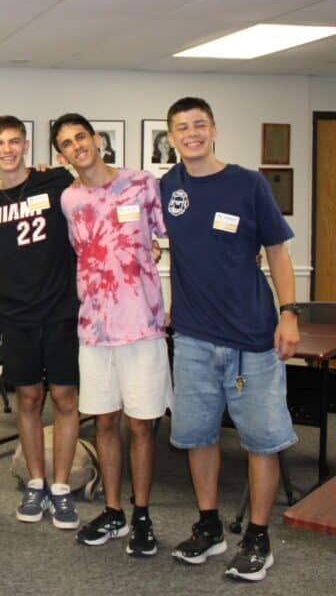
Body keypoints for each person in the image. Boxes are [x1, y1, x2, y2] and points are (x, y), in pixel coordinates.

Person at [162, 97, 298, 582]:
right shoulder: (168, 187)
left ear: (214, 130)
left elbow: (277, 254)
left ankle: (258, 537)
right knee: (198, 438)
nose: (191, 133)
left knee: (261, 443)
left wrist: (288, 314)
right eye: (182, 127)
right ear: (171, 136)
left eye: (199, 125)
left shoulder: (247, 184)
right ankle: (209, 527)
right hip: (195, 339)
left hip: (252, 340)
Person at [52, 113, 171, 558]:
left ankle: (142, 514)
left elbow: (165, 236)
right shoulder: (69, 199)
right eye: (66, 143)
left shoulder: (141, 182)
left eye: (81, 137)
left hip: (141, 326)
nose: (76, 146)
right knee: (104, 422)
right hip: (95, 329)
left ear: (96, 139)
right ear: (60, 155)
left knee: (141, 424)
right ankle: (114, 509)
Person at [0, 116, 81, 530]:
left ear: (26, 145)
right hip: (16, 314)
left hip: (61, 310)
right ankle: (36, 481)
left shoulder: (55, 180)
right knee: (27, 399)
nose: (7, 149)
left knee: (64, 398)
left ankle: (61, 487)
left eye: (14, 141)